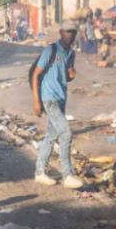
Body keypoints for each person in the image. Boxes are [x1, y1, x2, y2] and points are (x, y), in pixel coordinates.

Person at [31, 21, 83, 189]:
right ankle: (67, 175)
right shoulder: (51, 50)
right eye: (67, 32)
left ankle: (40, 172)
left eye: (73, 32)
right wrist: (36, 101)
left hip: (61, 98)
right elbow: (36, 75)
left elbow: (65, 77)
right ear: (61, 33)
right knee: (66, 133)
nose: (70, 35)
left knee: (51, 136)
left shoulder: (71, 54)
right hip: (49, 98)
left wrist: (71, 76)